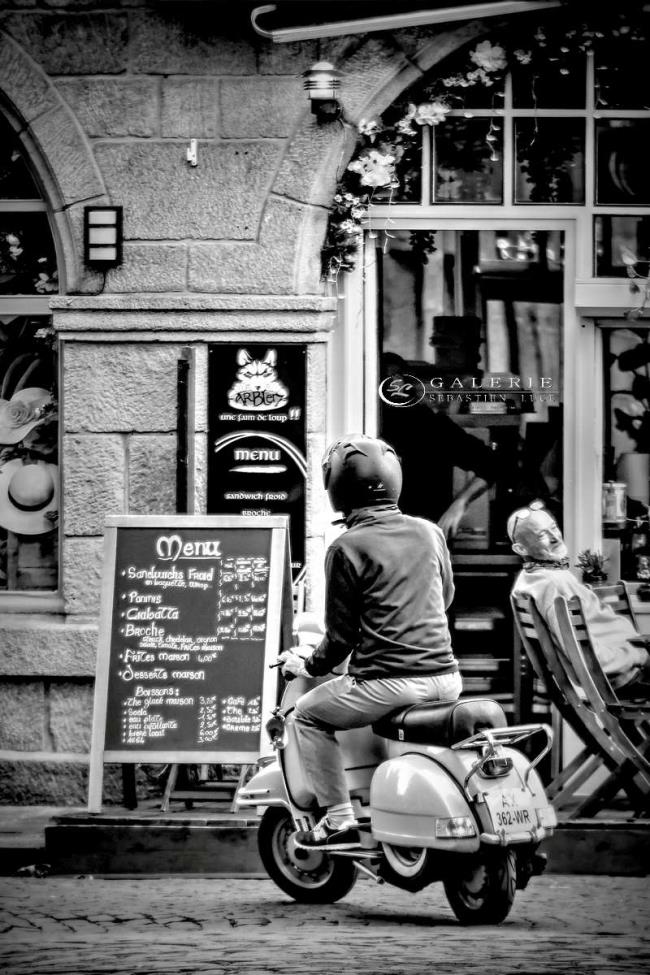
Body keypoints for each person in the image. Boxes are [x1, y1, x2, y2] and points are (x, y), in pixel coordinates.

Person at [279, 434, 462, 851]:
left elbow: (340, 638)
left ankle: (338, 819)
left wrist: (307, 666)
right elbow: (445, 597)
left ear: (337, 486)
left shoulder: (346, 546)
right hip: (447, 679)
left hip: (390, 683)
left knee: (307, 716)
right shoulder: (429, 532)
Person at [509, 500, 650, 698]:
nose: (555, 538)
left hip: (621, 664)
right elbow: (585, 656)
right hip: (621, 677)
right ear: (521, 549)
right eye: (542, 535)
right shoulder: (553, 584)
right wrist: (639, 656)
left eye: (553, 528)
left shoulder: (530, 580)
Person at [379, 354, 499, 539]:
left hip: (423, 539)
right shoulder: (363, 425)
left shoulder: (429, 425)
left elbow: (491, 463)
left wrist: (460, 503)